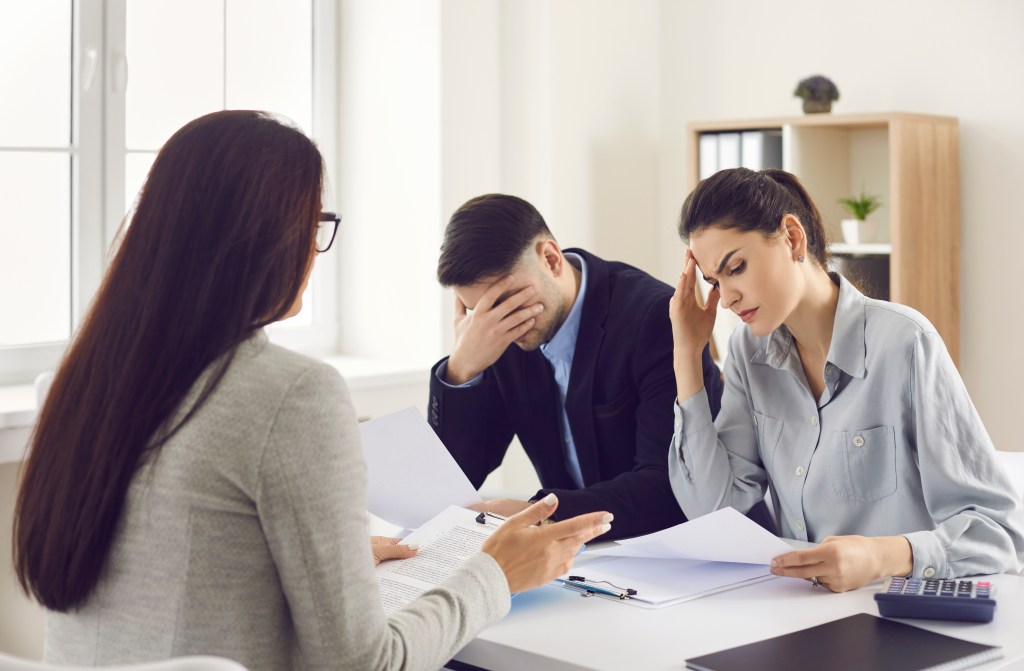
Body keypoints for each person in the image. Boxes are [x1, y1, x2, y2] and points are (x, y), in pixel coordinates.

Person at [12, 111, 611, 671]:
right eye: (315, 223)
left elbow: (174, 564)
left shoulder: (89, 376)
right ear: (265, 238)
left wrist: (335, 563)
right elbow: (362, 663)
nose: (315, 249)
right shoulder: (293, 394)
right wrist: (495, 574)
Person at [667, 167, 1024, 592]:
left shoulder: (904, 343)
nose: (725, 298)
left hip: (901, 621)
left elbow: (1000, 533)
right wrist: (687, 354)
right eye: (713, 282)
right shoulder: (750, 353)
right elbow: (713, 510)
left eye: (736, 267)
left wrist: (882, 556)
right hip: (796, 617)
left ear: (792, 238)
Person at [428, 193, 732, 540]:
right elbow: (448, 486)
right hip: (584, 565)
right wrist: (462, 370)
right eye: (477, 312)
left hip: (678, 552)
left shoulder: (654, 318)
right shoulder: (497, 335)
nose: (495, 323)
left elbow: (667, 489)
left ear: (551, 259)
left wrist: (542, 514)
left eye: (504, 303)